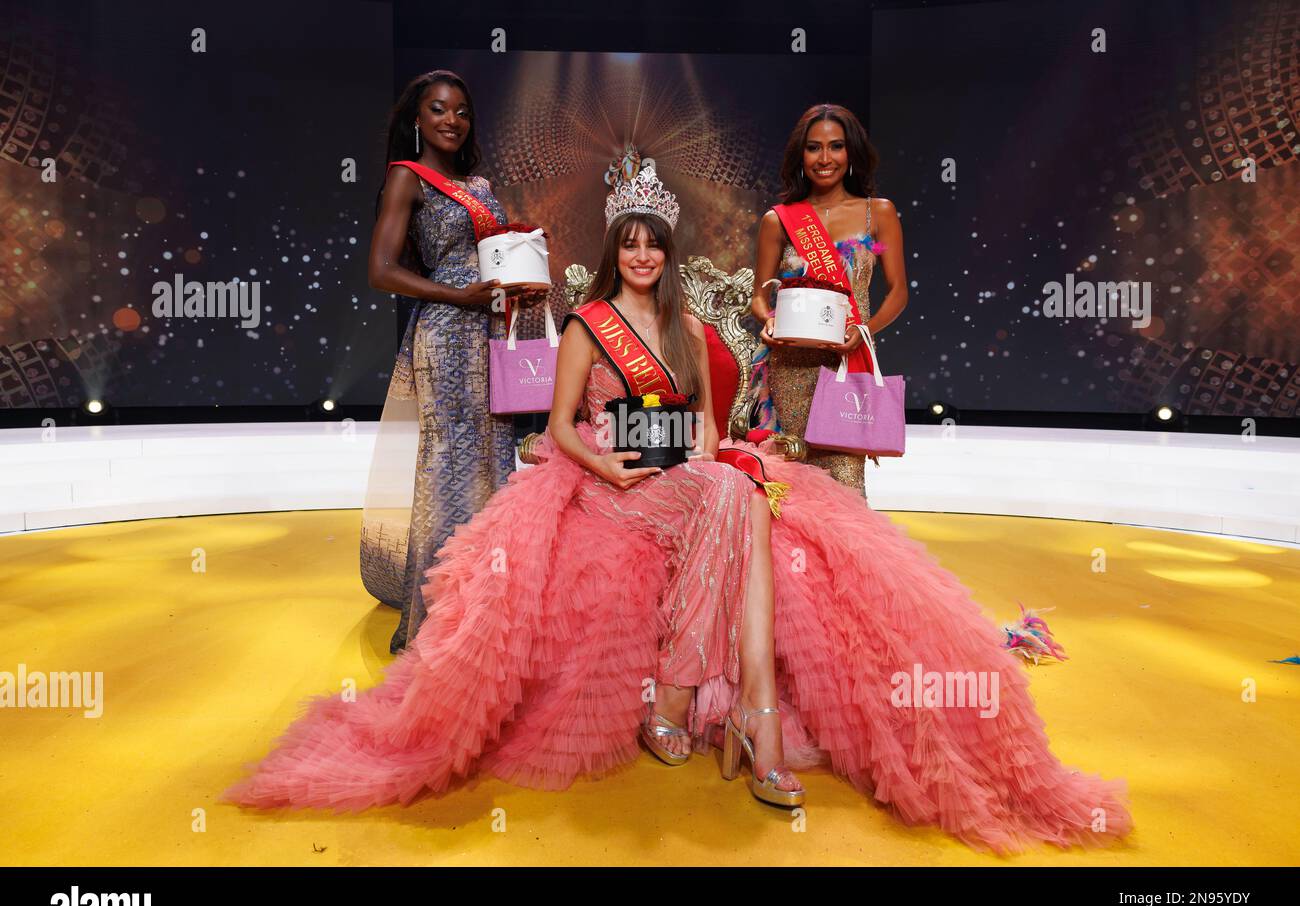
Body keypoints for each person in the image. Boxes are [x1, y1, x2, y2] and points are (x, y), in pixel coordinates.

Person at [227, 167, 1132, 855]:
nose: (642, 257)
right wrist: (609, 468)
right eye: (629, 244)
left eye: (653, 244)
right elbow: (558, 427)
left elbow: (702, 424)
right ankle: (752, 726)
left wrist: (702, 456)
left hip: (685, 479)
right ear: (615, 249)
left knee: (736, 487)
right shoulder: (586, 326)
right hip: (608, 482)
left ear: (666, 250)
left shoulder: (689, 332)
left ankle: (713, 700)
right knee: (739, 500)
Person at [362, 70, 538, 653]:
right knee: (448, 466)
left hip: (491, 331)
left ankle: (487, 608)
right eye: (438, 110)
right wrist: (456, 295)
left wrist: (520, 287)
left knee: (495, 460)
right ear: (418, 119)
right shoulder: (405, 179)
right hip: (445, 333)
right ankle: (434, 617)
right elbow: (381, 270)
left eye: (462, 111)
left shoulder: (480, 184)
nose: (452, 121)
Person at [749, 103, 909, 495]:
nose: (825, 159)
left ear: (850, 152)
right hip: (789, 367)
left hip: (846, 362)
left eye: (835, 147)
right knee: (790, 487)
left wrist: (865, 330)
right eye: (813, 148)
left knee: (845, 487)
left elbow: (899, 293)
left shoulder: (880, 214)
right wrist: (767, 320)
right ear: (799, 155)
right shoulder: (779, 219)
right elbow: (758, 295)